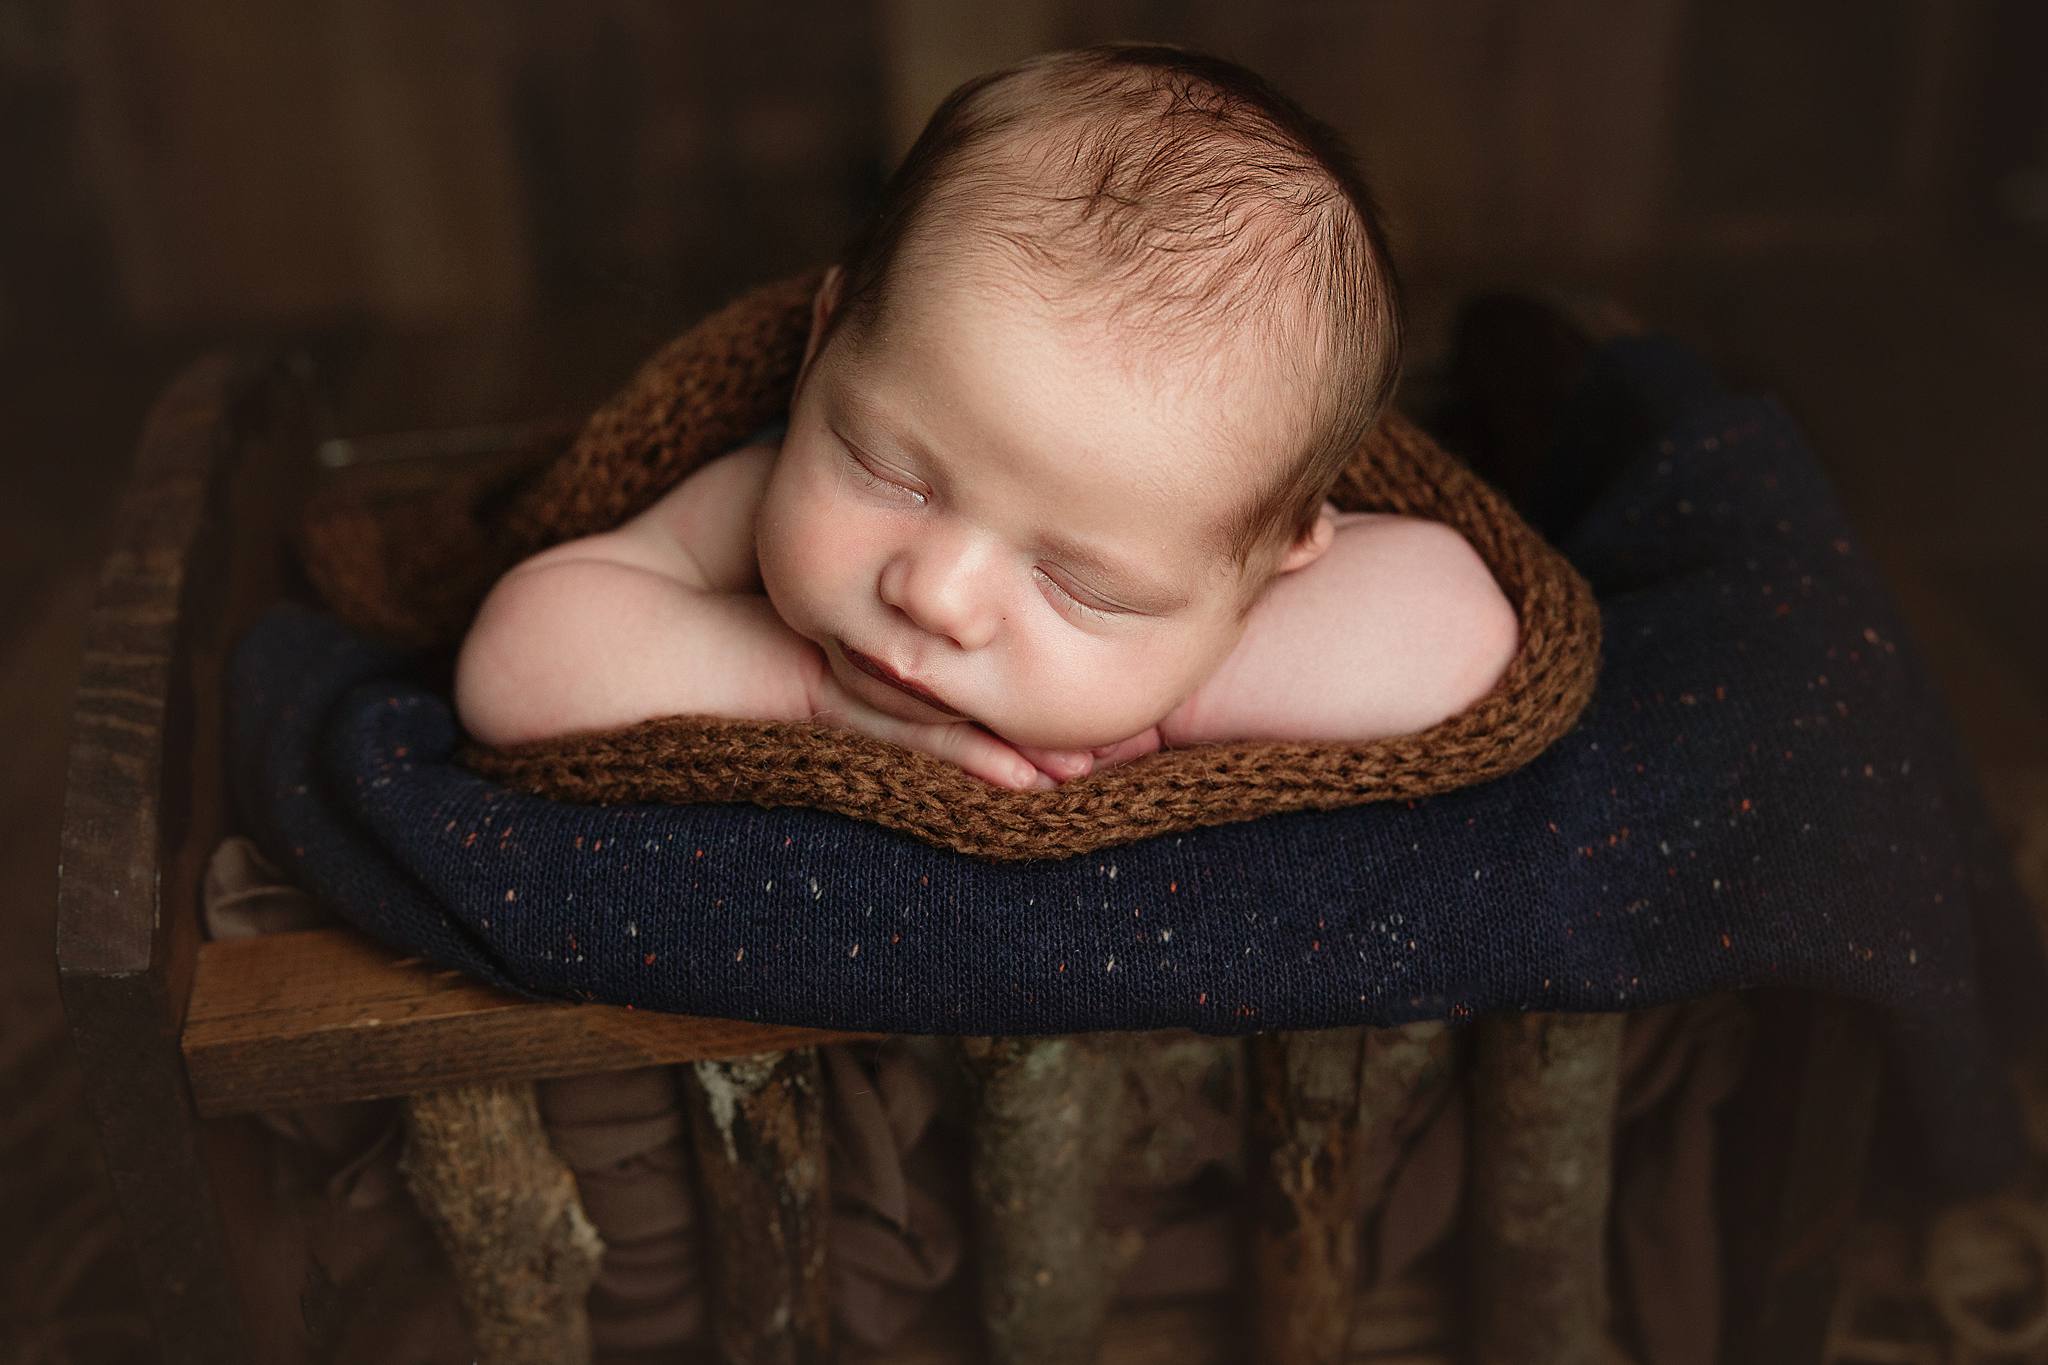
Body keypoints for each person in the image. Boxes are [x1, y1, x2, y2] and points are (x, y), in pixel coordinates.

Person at [454, 43, 1518, 791]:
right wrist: (801, 694)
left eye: (1080, 585)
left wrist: (1168, 695)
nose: (935, 595)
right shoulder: (747, 504)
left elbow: (1460, 632)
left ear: (1275, 560)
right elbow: (515, 666)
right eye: (888, 474)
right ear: (823, 340)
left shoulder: (1215, 589)